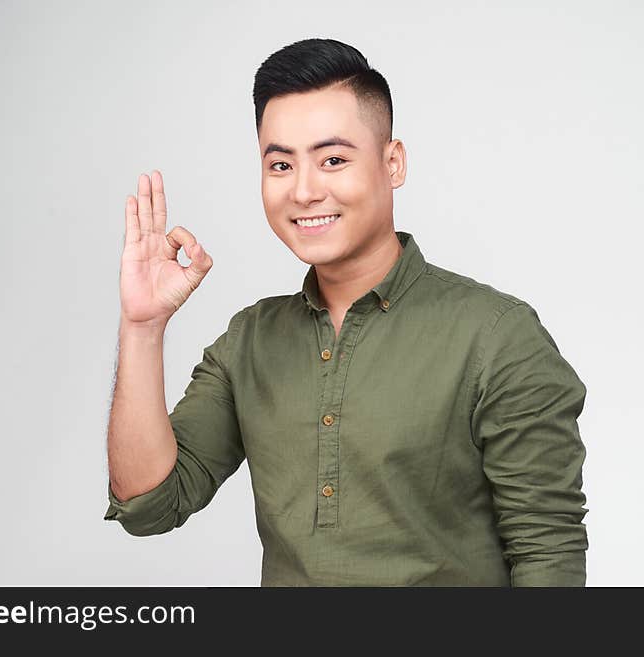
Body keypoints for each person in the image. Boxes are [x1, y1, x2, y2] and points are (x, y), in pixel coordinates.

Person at [103, 38, 589, 586]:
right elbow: (147, 505)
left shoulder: (496, 335)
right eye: (281, 164)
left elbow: (548, 551)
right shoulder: (250, 342)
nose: (306, 190)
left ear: (393, 162)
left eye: (333, 159)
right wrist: (142, 327)